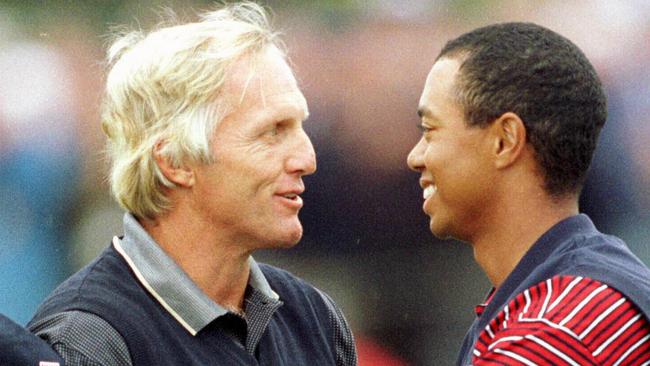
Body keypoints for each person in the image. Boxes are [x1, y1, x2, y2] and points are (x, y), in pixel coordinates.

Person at [28, 3, 356, 365]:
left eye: (300, 127)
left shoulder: (313, 318)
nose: (307, 159)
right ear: (174, 161)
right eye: (272, 132)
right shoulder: (88, 339)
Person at [407, 22, 650, 365]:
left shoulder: (553, 332)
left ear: (505, 141)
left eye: (430, 131)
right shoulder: (585, 292)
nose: (414, 157)